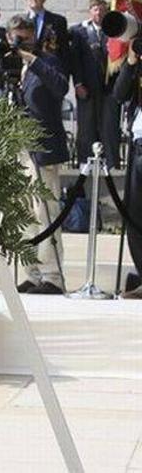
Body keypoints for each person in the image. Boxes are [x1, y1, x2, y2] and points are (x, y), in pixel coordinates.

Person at [5, 15, 69, 295]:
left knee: (46, 211)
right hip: (21, 146)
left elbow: (60, 87)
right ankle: (32, 272)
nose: (21, 42)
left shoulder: (46, 61)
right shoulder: (11, 66)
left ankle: (52, 276)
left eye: (26, 37)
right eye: (17, 37)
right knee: (25, 213)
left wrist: (33, 59)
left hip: (43, 147)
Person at [70, 0, 121, 169]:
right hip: (87, 88)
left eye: (101, 8)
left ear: (107, 10)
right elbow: (75, 61)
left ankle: (112, 166)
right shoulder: (79, 32)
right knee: (86, 128)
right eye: (95, 9)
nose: (98, 12)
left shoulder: (115, 31)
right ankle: (85, 165)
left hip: (110, 88)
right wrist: (77, 84)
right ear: (90, 11)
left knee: (109, 127)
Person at [112, 36, 142, 299]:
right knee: (134, 215)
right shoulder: (137, 67)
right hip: (138, 145)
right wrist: (132, 62)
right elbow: (119, 94)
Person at [24, 0, 71, 72]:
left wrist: (64, 75)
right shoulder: (21, 22)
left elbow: (65, 51)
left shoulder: (58, 21)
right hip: (28, 73)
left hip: (51, 72)